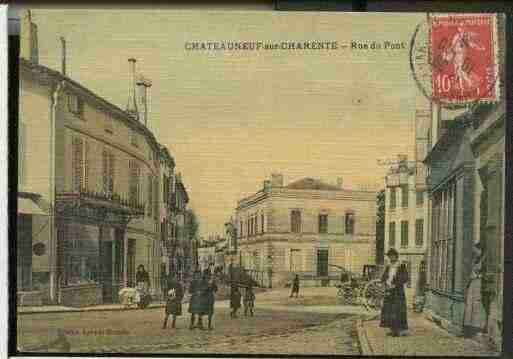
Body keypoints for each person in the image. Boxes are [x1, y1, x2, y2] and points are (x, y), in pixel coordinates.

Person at [380, 248, 409, 337]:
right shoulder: (388, 266)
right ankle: (392, 329)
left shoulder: (401, 266)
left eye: (393, 256)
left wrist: (396, 284)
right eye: (390, 256)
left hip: (398, 292)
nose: (391, 258)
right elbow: (384, 277)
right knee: (389, 311)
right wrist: (384, 283)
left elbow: (405, 278)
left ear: (396, 256)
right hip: (389, 292)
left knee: (397, 311)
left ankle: (398, 330)